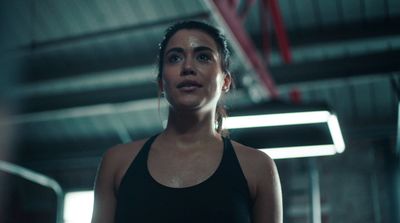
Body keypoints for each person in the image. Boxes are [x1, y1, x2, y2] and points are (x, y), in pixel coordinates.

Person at [91, 20, 282, 223]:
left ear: (225, 81)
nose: (188, 67)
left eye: (203, 57)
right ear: (161, 83)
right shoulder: (117, 163)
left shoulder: (258, 167)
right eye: (174, 58)